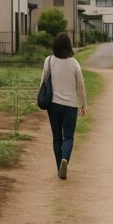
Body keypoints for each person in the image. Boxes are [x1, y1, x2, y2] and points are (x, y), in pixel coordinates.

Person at [40, 33, 87, 180]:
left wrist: (41, 97)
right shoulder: (74, 64)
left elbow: (43, 82)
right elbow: (80, 86)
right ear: (69, 46)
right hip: (70, 106)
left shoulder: (49, 60)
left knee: (56, 137)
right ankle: (65, 159)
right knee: (68, 137)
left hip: (53, 105)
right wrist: (83, 104)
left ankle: (59, 167)